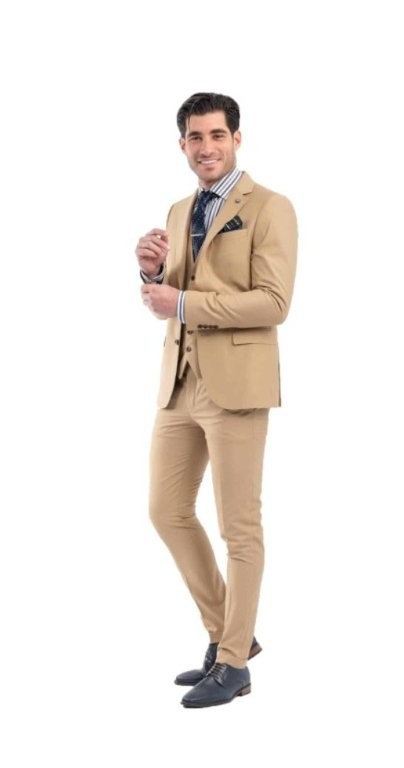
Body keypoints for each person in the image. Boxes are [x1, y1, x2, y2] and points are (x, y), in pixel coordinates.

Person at [135, 92, 297, 708]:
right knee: (166, 510)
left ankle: (233, 664)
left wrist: (180, 301)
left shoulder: (271, 207)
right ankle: (230, 635)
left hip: (237, 385)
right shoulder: (180, 209)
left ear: (237, 139)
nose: (207, 147)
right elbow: (176, 291)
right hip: (179, 382)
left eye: (217, 135)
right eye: (196, 137)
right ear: (182, 144)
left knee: (239, 526)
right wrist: (154, 274)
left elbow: (273, 302)